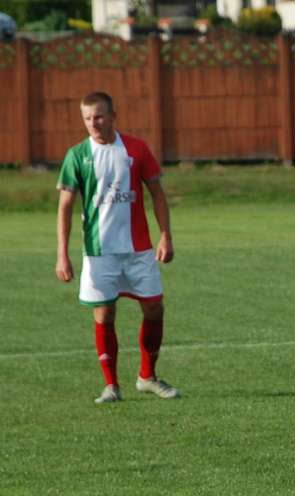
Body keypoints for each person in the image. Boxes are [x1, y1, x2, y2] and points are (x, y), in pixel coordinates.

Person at [55, 91, 180, 404]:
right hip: (99, 252)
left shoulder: (136, 149)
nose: (93, 123)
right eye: (87, 118)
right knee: (104, 313)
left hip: (139, 249)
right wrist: (62, 254)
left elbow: (157, 194)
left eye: (98, 116)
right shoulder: (77, 155)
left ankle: (147, 377)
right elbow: (65, 207)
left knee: (154, 306)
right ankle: (111, 385)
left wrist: (165, 235)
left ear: (112, 116)